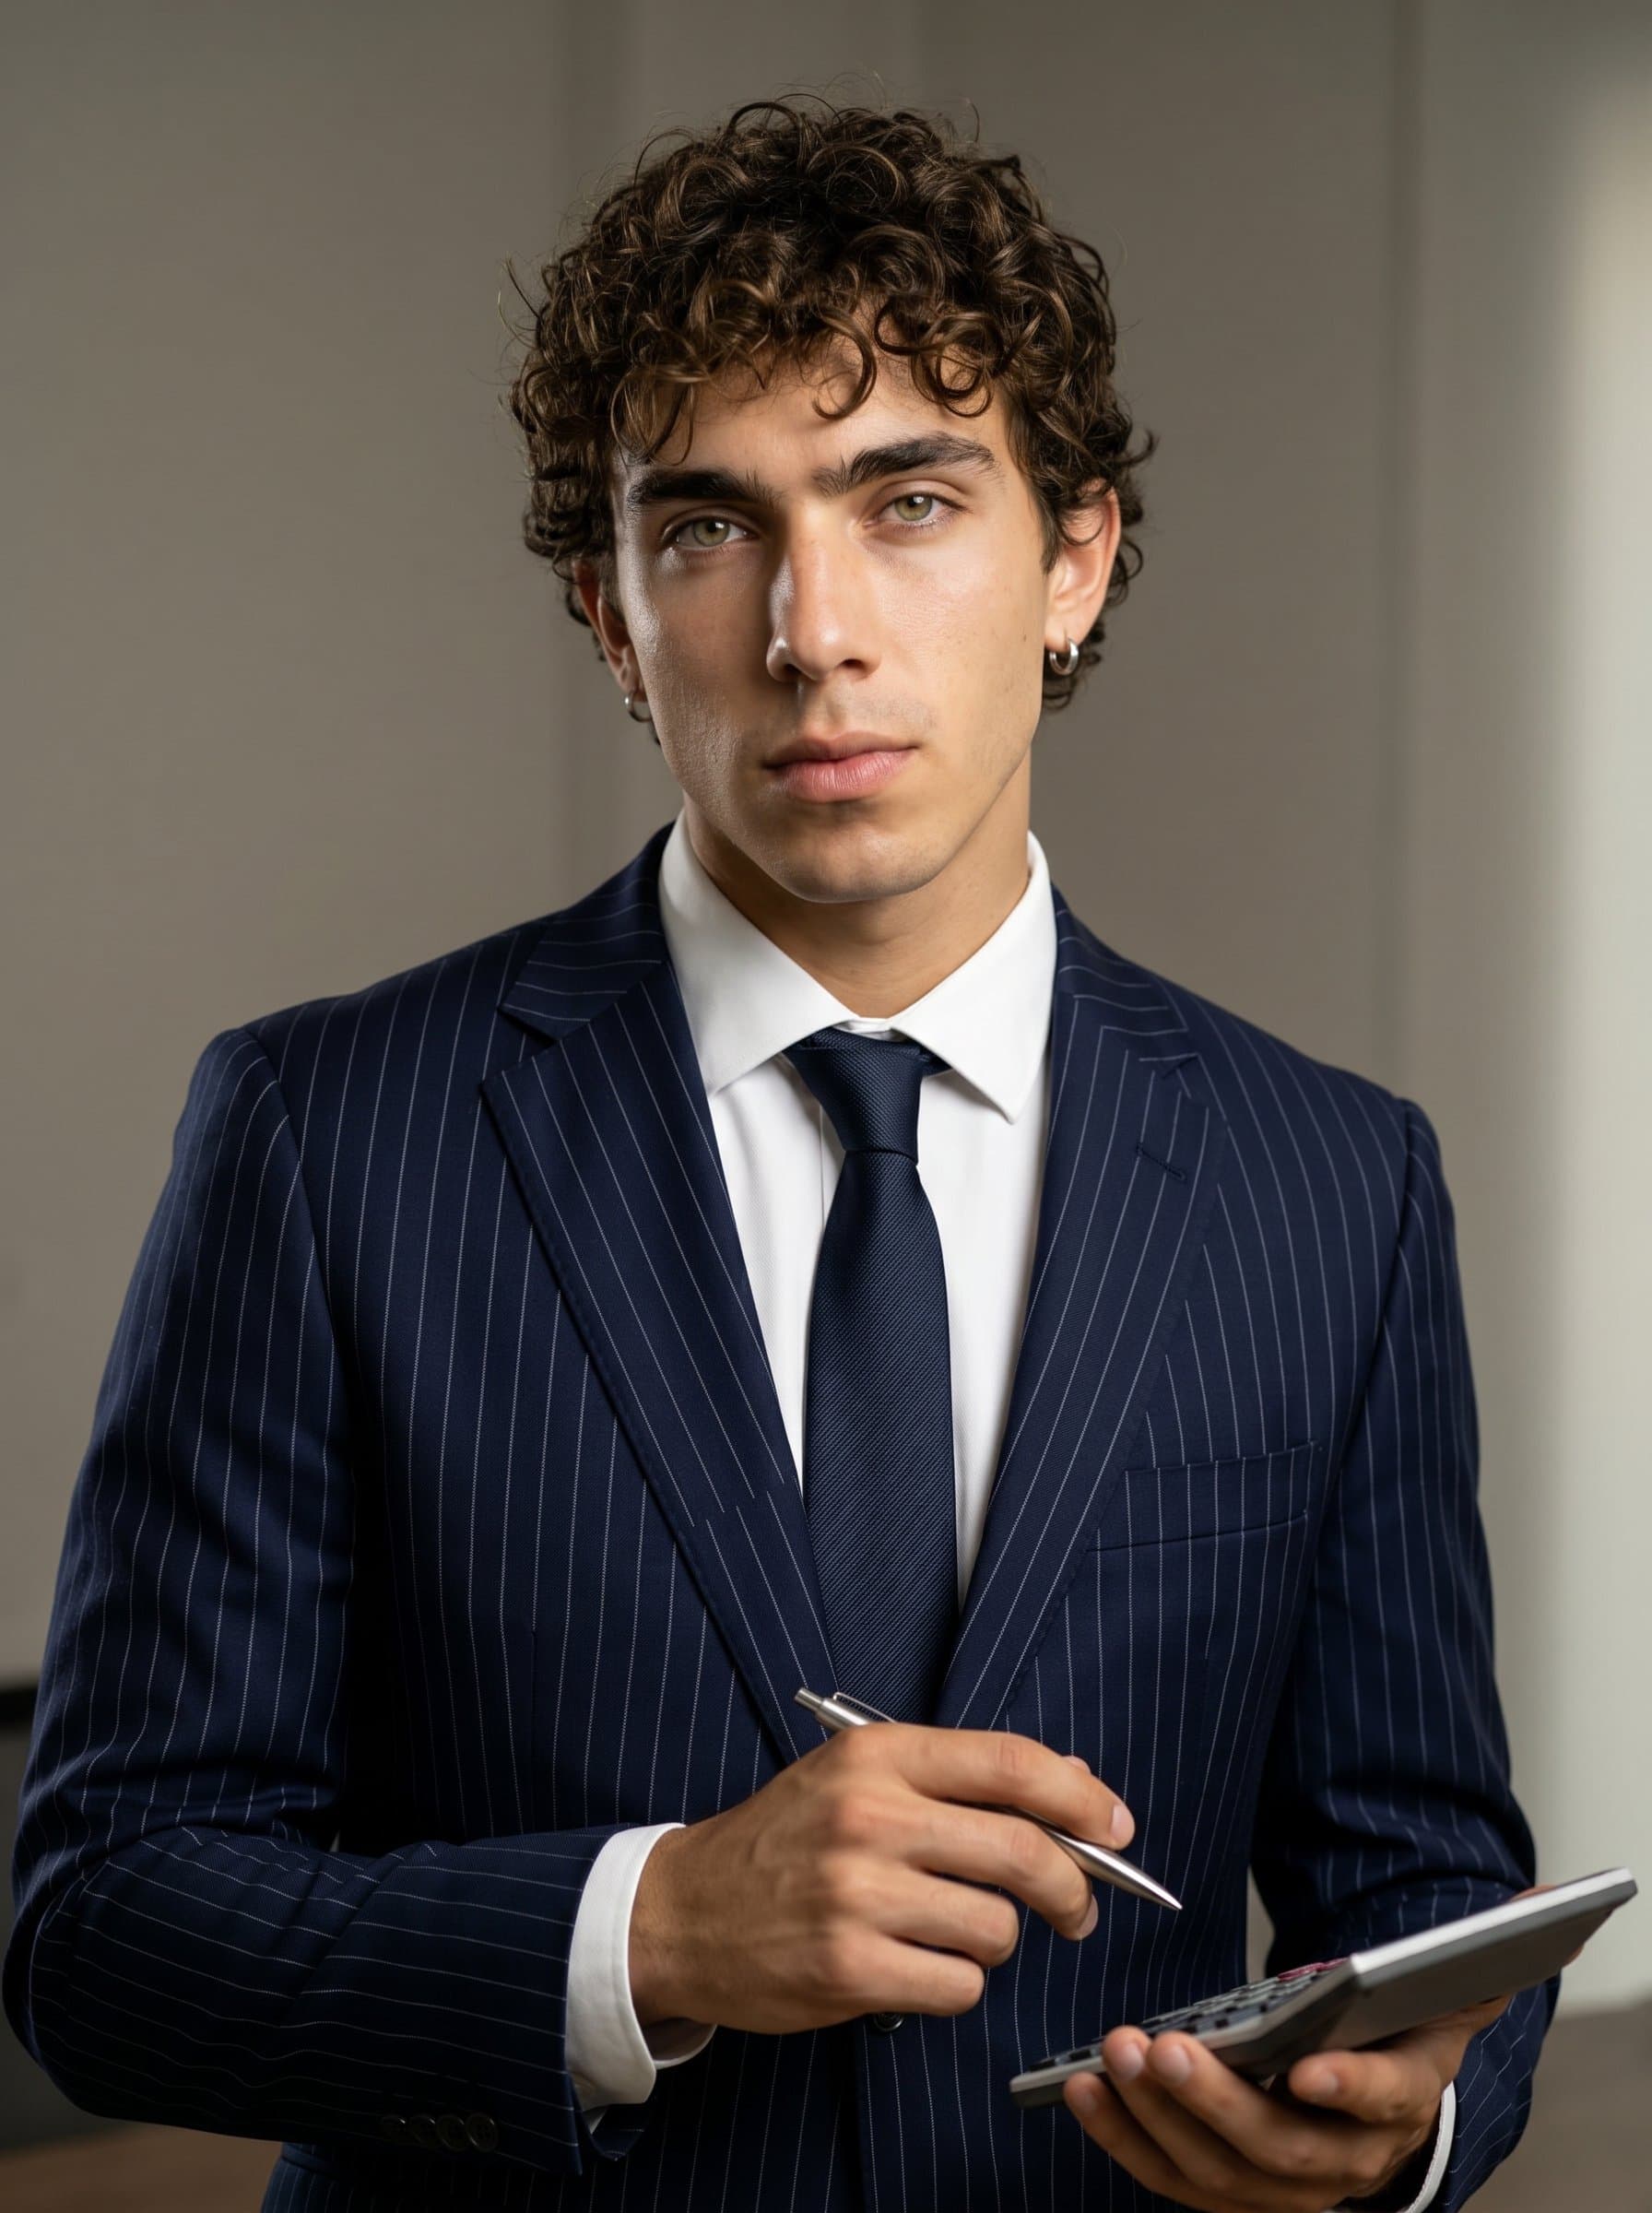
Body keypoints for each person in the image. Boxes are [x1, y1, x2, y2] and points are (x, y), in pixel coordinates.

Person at [5, 94, 1553, 2212]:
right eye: (709, 526)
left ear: (1073, 560)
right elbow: (100, 1931)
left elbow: (1429, 1883)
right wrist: (646, 1930)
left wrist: (1406, 2128)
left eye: (906, 500)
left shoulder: (1331, 1183)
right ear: (611, 613)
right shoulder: (322, 1134)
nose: (811, 629)